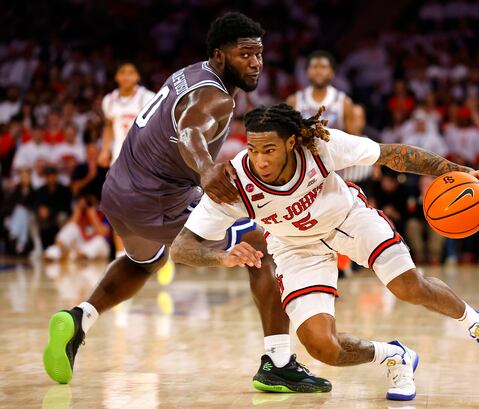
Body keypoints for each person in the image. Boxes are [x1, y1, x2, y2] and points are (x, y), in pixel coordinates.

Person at [43, 13, 329, 393]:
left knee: (144, 260)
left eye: (259, 54)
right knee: (263, 240)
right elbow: (191, 129)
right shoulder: (214, 95)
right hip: (155, 198)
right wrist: (207, 168)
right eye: (245, 55)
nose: (256, 63)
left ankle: (80, 318)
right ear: (220, 56)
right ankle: (278, 363)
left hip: (118, 193)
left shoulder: (189, 73)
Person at [171, 104, 479, 401]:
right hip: (297, 248)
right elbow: (182, 247)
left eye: (269, 150)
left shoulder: (322, 148)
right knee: (321, 347)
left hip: (348, 220)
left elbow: (394, 155)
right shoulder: (233, 185)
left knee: (408, 286)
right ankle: (393, 357)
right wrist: (221, 256)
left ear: (292, 142)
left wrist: (454, 170)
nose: (259, 160)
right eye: (252, 150)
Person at [98, 62, 155, 167]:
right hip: (118, 156)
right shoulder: (109, 100)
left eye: (131, 72)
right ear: (116, 76)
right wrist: (105, 151)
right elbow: (109, 126)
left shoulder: (148, 97)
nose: (126, 76)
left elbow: (156, 130)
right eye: (122, 72)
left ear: (137, 76)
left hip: (143, 158)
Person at [287, 50, 353, 131]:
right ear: (307, 72)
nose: (318, 71)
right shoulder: (294, 101)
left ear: (332, 72)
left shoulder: (344, 102)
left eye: (323, 67)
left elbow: (352, 139)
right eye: (314, 67)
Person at [45, 195, 111, 261]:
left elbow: (104, 233)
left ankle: (75, 256)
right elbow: (68, 229)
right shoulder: (79, 213)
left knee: (99, 241)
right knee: (72, 227)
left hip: (99, 248)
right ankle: (56, 250)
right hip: (81, 246)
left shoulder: (103, 212)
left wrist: (92, 214)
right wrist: (78, 211)